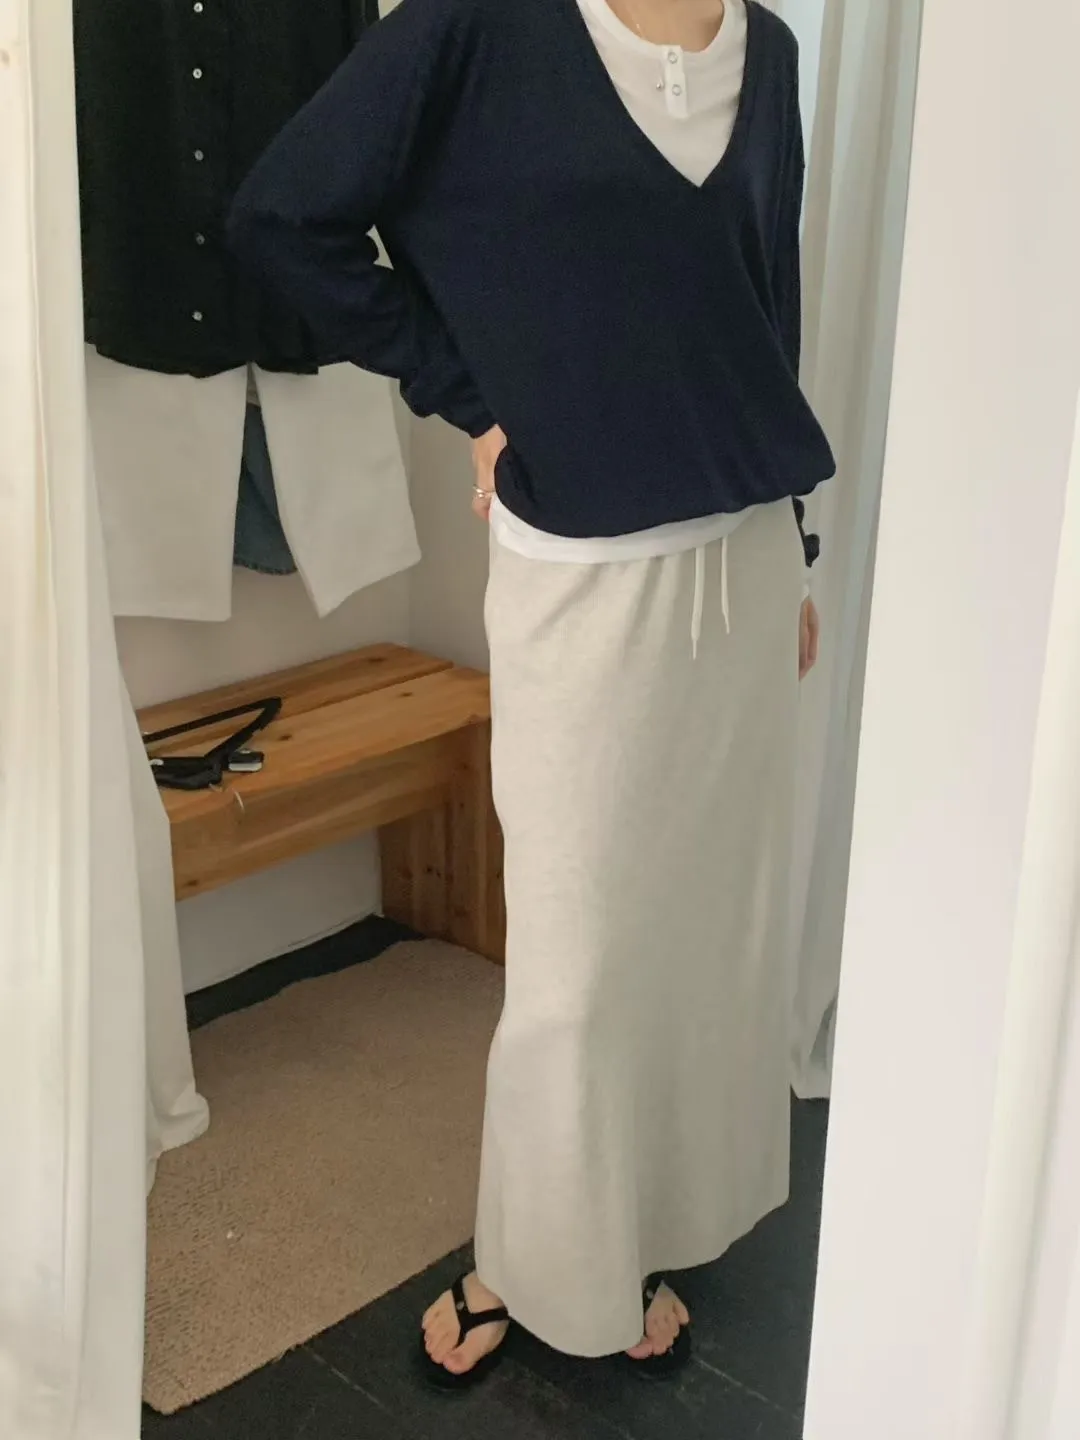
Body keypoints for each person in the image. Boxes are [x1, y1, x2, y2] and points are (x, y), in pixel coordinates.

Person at [228, 0, 835, 1389]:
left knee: (701, 937)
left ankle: (637, 1232)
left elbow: (766, 309)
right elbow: (282, 218)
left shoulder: (772, 51)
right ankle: (528, 1256)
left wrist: (796, 547)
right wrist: (471, 391)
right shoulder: (475, 29)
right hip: (585, 564)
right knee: (579, 958)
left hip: (745, 555)